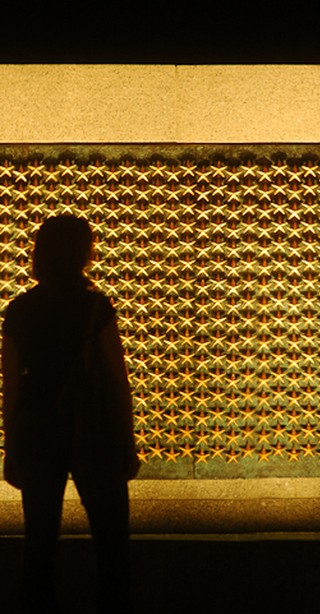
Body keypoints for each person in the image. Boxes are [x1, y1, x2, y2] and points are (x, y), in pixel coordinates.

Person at [1, 215, 139, 613]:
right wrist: (126, 441)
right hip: (93, 433)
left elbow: (12, 386)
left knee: (39, 546)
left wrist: (13, 449)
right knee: (111, 544)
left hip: (39, 433)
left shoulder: (20, 310)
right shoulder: (96, 307)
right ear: (82, 253)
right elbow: (117, 379)